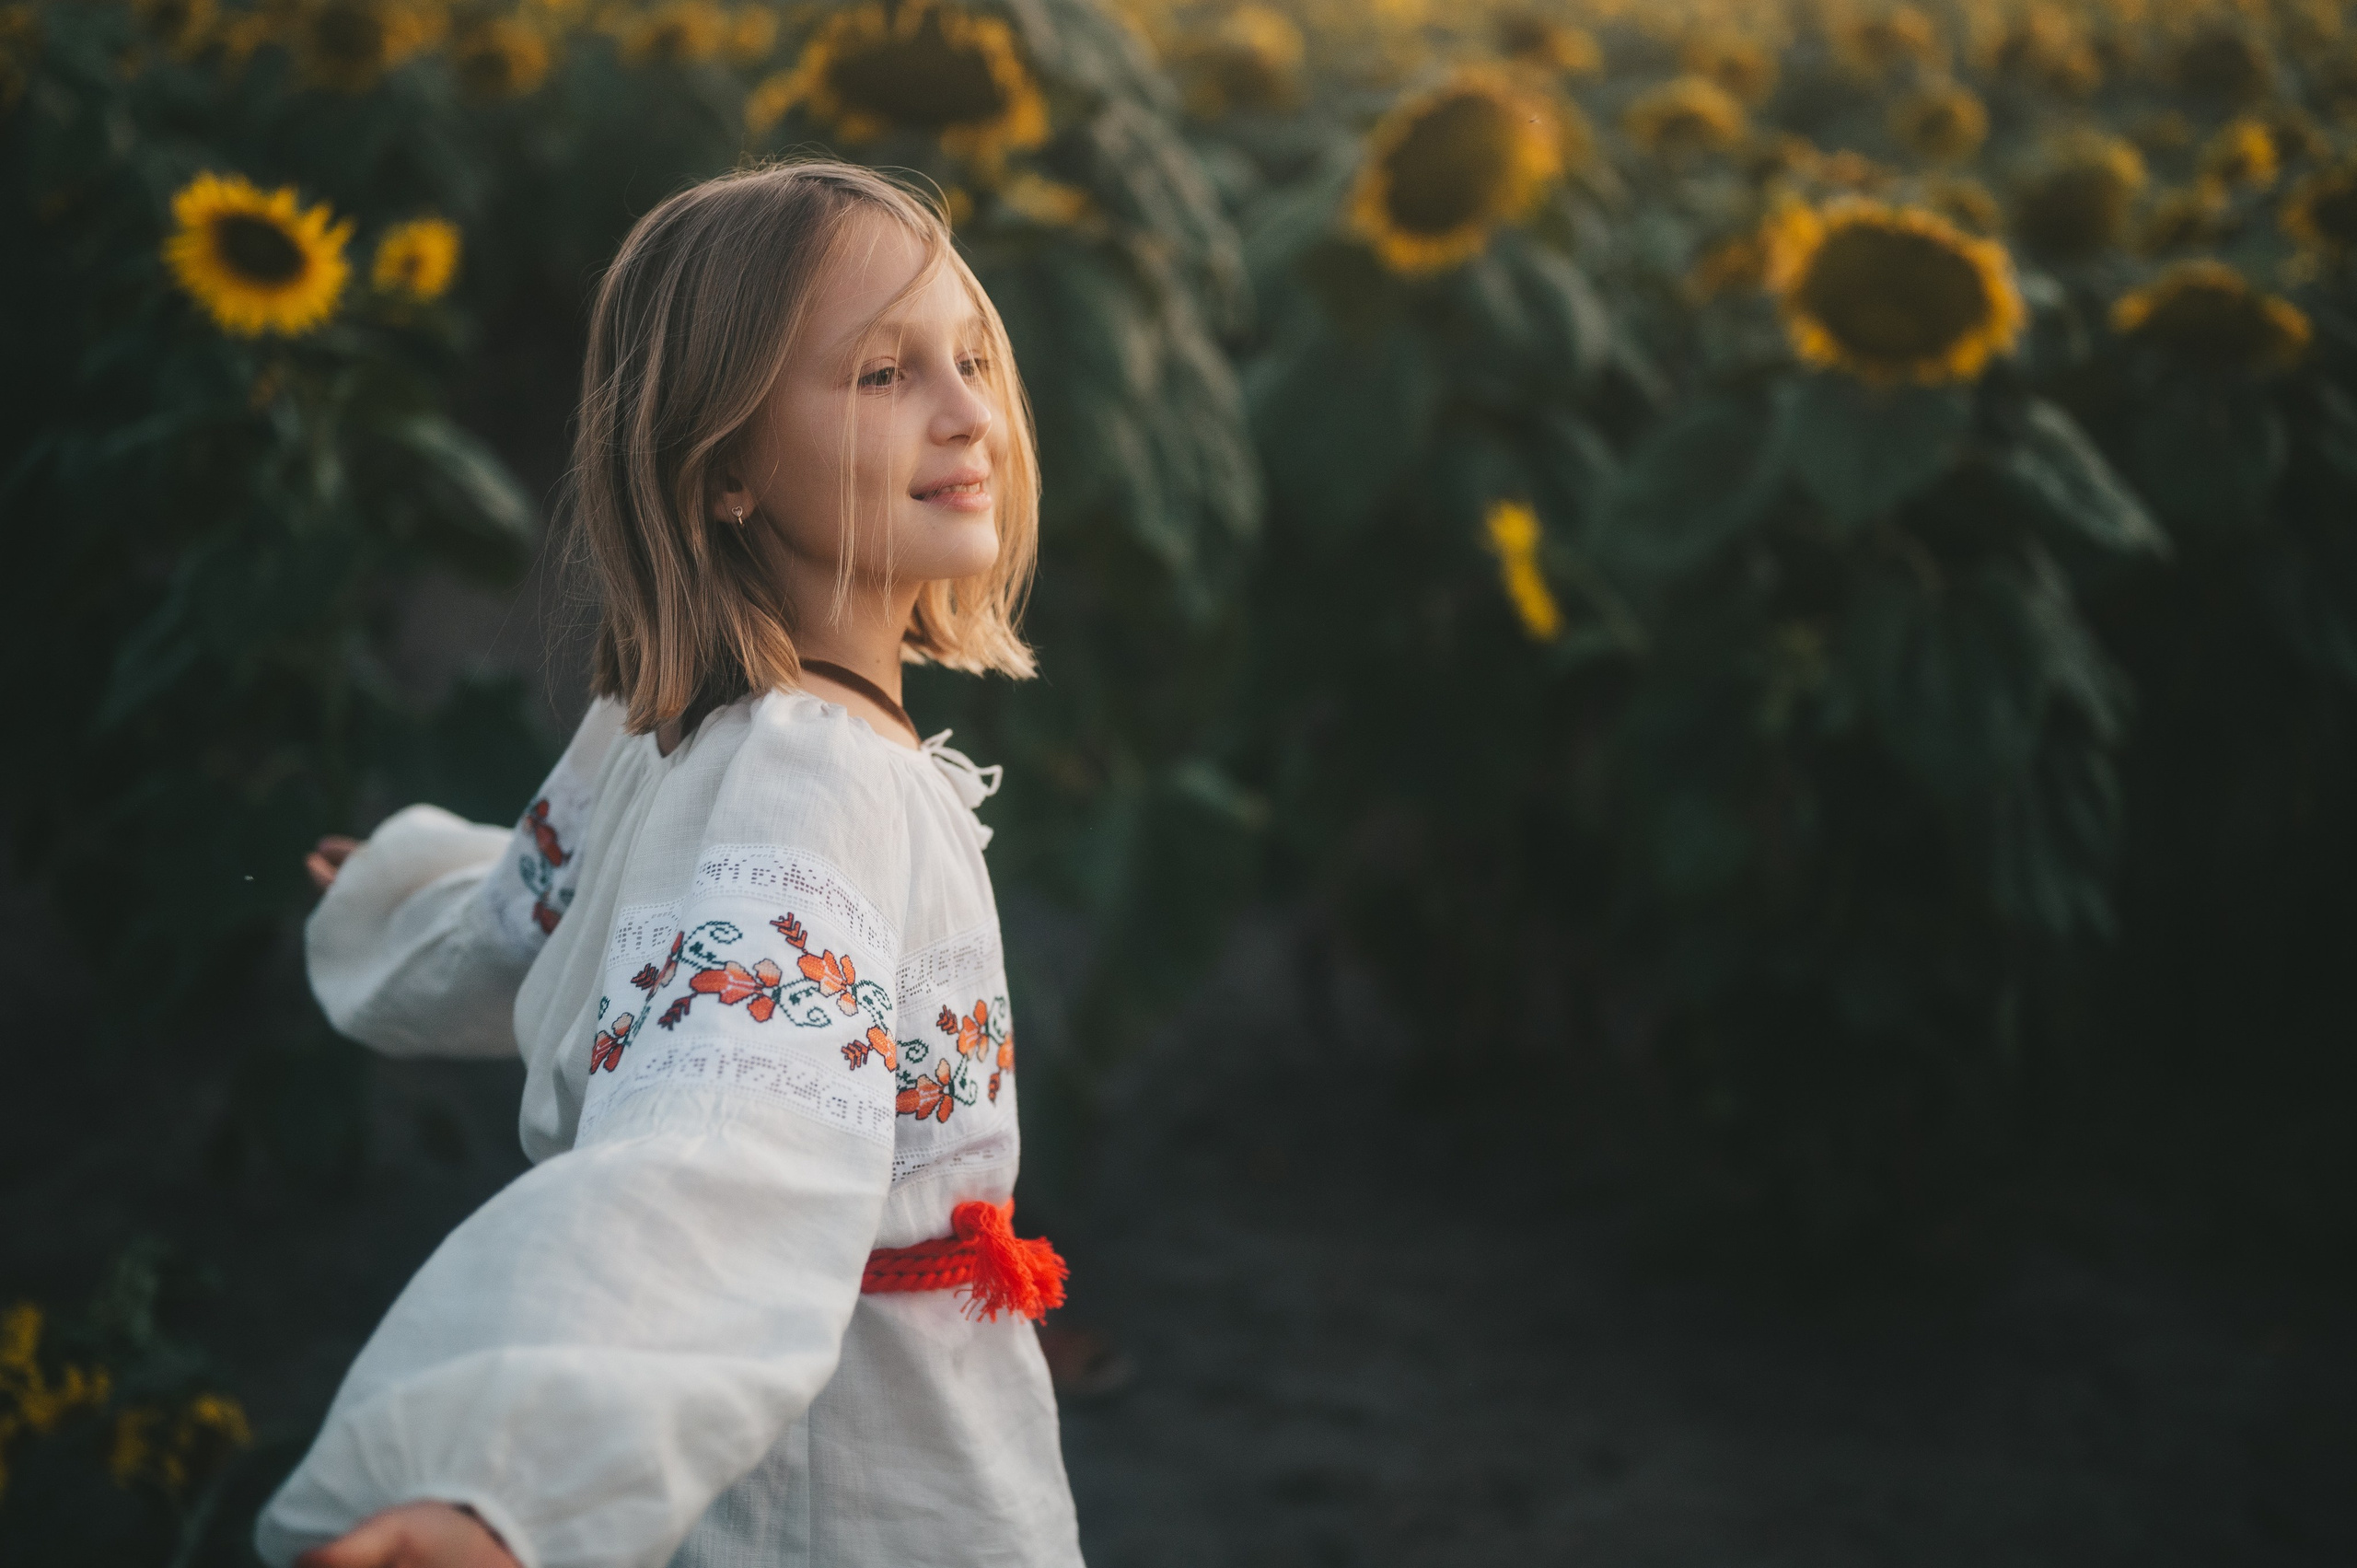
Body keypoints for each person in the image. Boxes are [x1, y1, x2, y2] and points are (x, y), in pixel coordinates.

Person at [260, 159, 1079, 1568]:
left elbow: (542, 914)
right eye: (885, 375)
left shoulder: (668, 733)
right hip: (853, 1494)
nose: (969, 415)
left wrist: (400, 900)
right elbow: (722, 1156)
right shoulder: (815, 779)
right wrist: (506, 1486)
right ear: (727, 472)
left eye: (973, 357)